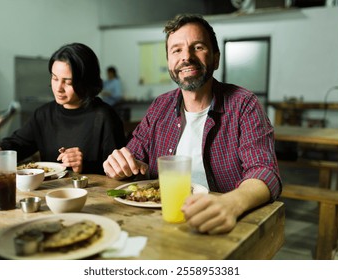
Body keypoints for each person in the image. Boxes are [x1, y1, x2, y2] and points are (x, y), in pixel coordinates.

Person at [103, 14, 282, 234]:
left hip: (223, 222)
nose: (186, 57)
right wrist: (119, 164)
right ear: (169, 62)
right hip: (159, 222)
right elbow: (133, 156)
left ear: (216, 58)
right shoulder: (160, 106)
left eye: (197, 47)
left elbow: (265, 172)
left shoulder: (243, 104)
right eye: (176, 50)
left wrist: (231, 203)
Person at [0, 43, 126, 174]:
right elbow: (18, 144)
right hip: (49, 191)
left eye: (68, 82)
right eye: (55, 78)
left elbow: (120, 171)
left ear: (86, 82)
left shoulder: (105, 117)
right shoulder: (44, 114)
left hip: (91, 192)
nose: (58, 88)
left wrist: (84, 166)